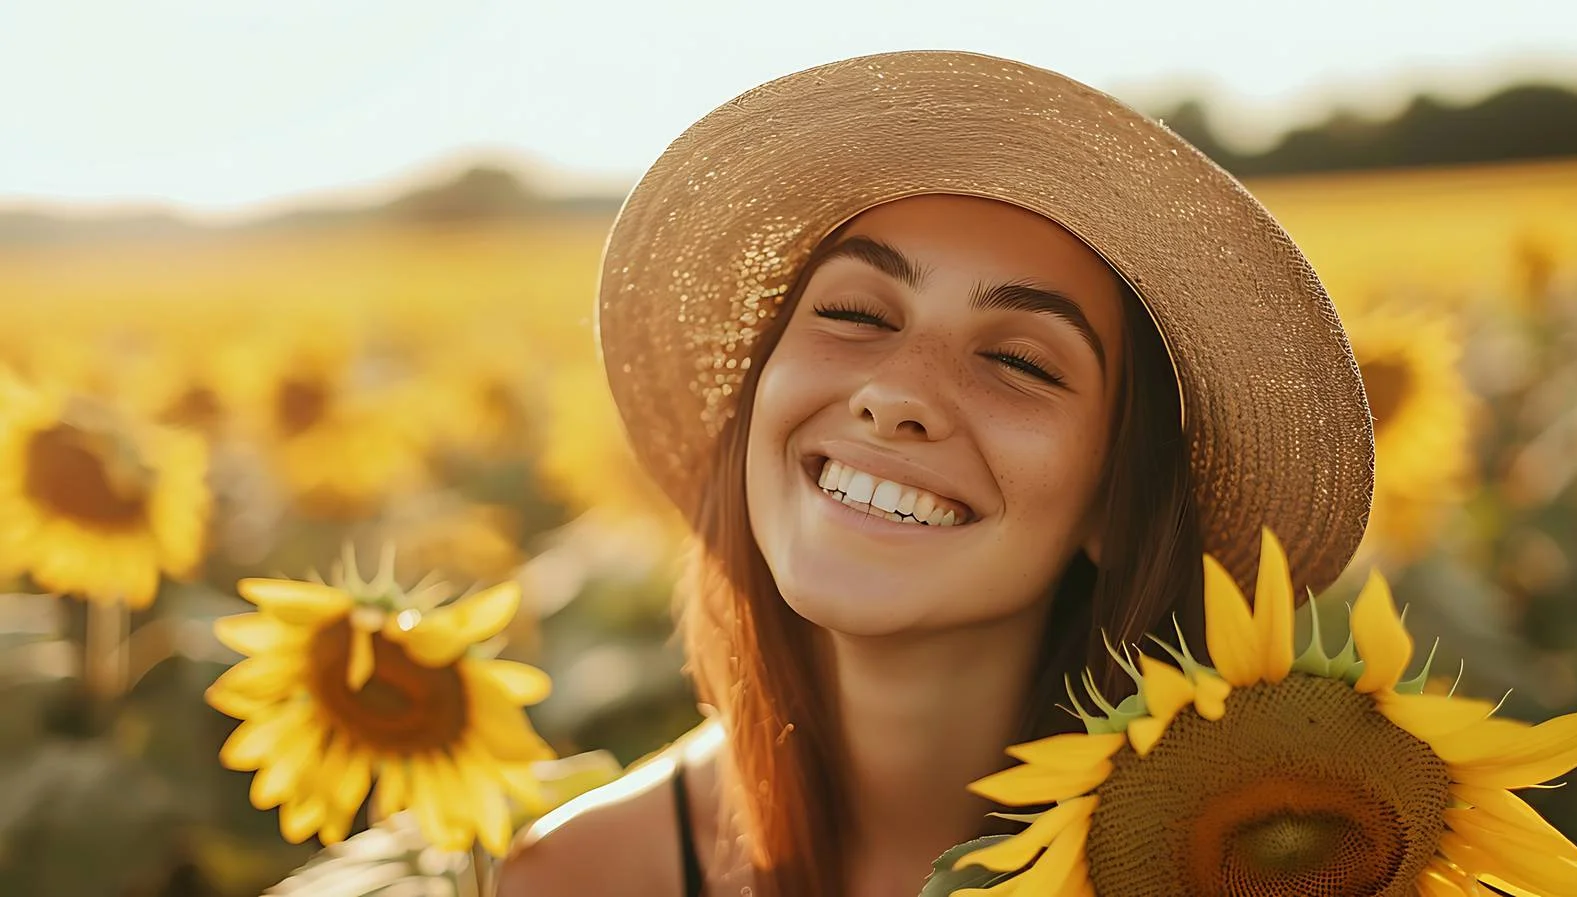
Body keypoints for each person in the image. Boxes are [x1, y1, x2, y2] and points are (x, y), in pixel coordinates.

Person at [498, 49, 1374, 897]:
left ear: (1114, 499)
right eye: (852, 311)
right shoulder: (582, 877)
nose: (895, 392)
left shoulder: (1260, 872)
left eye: (1023, 363)